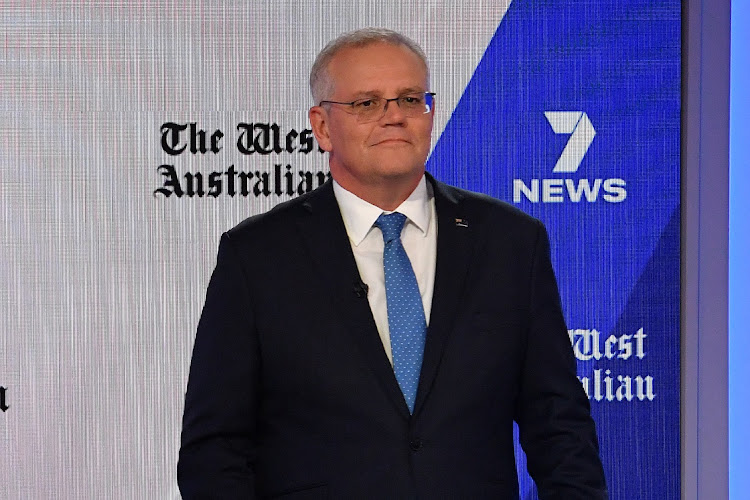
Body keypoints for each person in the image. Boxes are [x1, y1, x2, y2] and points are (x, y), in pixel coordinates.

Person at [177, 28, 607, 499]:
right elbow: (215, 448)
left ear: (431, 113)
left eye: (409, 99)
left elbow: (560, 426)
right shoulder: (258, 255)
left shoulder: (509, 242)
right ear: (322, 127)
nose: (394, 117)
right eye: (367, 103)